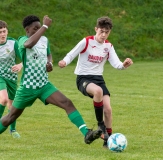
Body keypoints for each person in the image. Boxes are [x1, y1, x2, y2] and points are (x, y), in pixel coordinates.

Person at [0, 15, 102, 145]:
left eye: (39, 28)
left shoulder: (44, 40)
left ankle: (86, 134)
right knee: (10, 117)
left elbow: (48, 54)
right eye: (35, 29)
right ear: (27, 29)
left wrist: (50, 63)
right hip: (27, 88)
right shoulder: (22, 40)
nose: (38, 31)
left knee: (67, 103)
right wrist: (44, 26)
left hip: (44, 85)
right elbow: (29, 44)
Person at [58, 16, 133, 147]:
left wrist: (124, 65)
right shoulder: (87, 41)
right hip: (83, 78)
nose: (104, 35)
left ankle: (107, 141)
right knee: (97, 91)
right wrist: (64, 61)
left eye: (107, 32)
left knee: (108, 110)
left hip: (99, 79)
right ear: (96, 29)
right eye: (101, 31)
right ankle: (100, 125)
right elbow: (71, 54)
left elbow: (117, 64)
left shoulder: (108, 46)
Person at [0, 20, 22, 138]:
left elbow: (26, 58)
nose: (3, 34)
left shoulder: (13, 43)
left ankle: (13, 130)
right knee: (3, 99)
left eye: (4, 31)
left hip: (12, 77)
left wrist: (20, 65)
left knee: (12, 106)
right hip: (0, 77)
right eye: (0, 32)